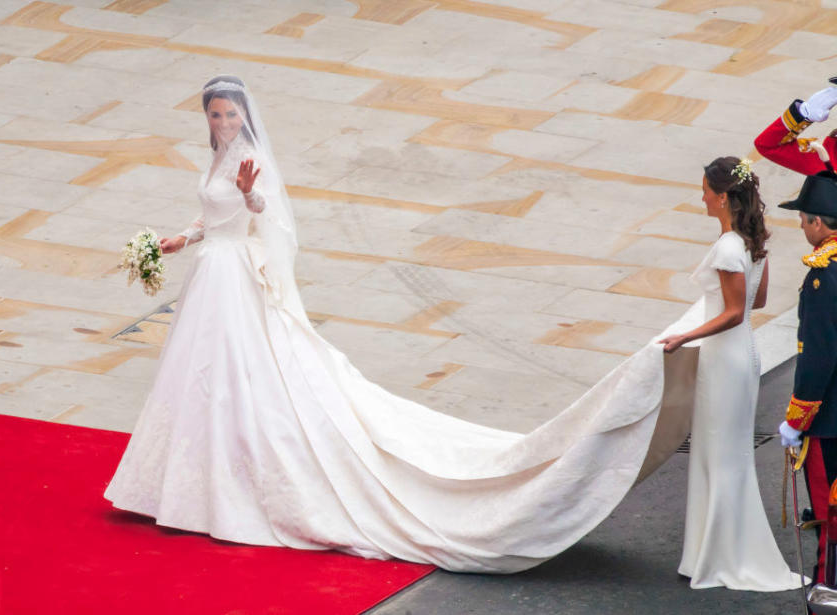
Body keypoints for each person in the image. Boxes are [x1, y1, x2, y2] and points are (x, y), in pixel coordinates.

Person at [102, 76, 764, 574]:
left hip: (237, 285)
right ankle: (185, 480)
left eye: (231, 113)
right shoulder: (212, 157)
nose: (223, 122)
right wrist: (168, 243)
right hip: (209, 277)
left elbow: (259, 214)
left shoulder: (251, 165)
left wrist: (248, 193)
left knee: (240, 378)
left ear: (245, 116)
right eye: (215, 115)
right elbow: (208, 221)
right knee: (198, 382)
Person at [656, 157, 801, 590]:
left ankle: (715, 555)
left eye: (705, 190)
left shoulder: (726, 248)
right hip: (743, 357)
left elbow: (736, 313)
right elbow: (756, 303)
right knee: (725, 454)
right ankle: (714, 551)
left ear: (722, 197)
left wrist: (685, 336)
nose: (701, 196)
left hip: (724, 359)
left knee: (716, 454)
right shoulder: (751, 241)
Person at [774, 172, 837, 586]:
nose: (800, 225)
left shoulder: (822, 276)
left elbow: (818, 358)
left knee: (828, 521)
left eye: (803, 218)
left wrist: (796, 421)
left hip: (831, 422)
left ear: (818, 223)